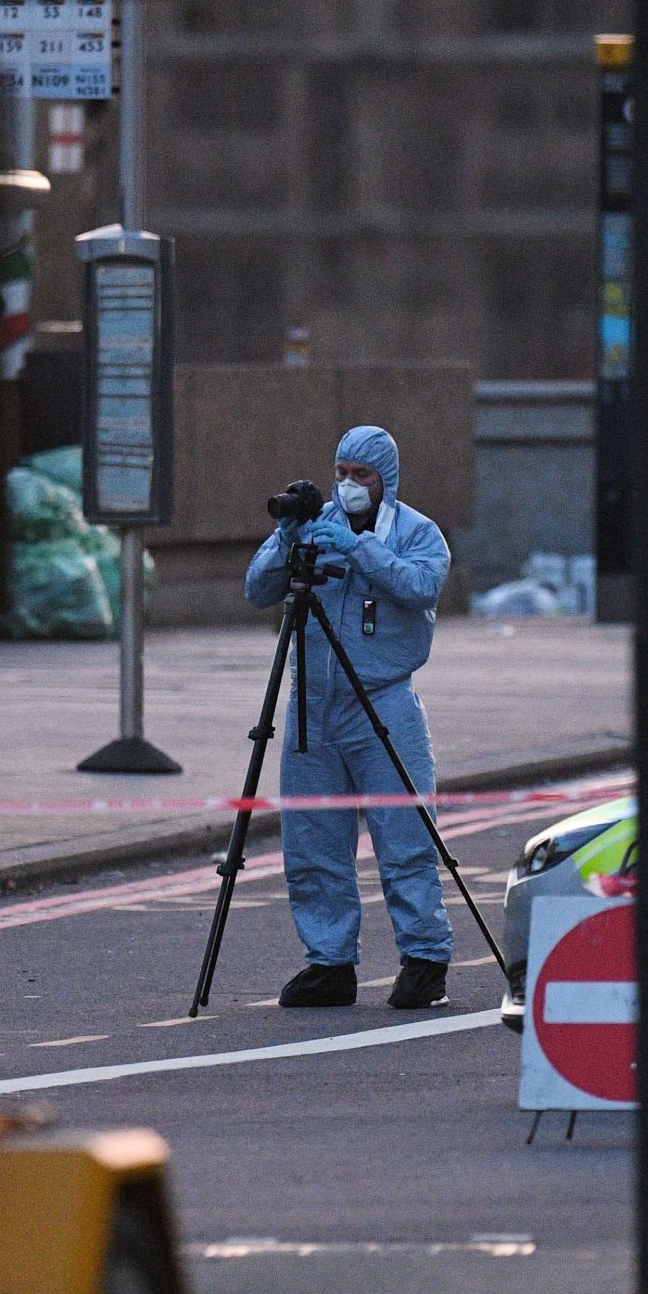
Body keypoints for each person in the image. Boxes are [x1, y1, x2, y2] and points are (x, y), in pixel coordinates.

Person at [245, 425, 455, 1009]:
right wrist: (287, 538)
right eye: (341, 472)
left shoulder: (417, 532)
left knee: (405, 834)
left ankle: (424, 957)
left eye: (360, 475)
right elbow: (257, 590)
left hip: (382, 699)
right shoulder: (315, 525)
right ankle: (329, 960)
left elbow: (419, 587)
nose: (347, 484)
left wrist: (359, 549)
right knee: (312, 839)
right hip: (313, 701)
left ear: (385, 478)